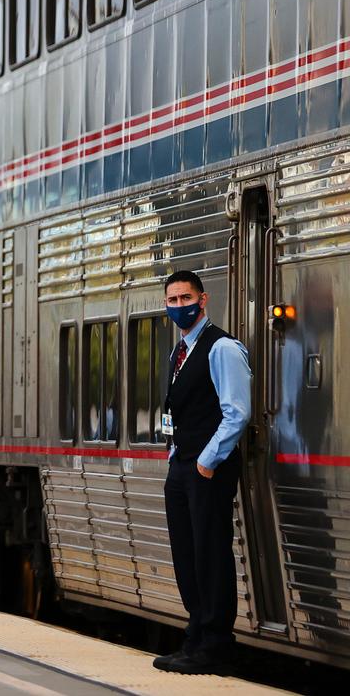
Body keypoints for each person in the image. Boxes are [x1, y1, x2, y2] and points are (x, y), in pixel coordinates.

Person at [152, 271, 251, 676]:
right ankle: (196, 635)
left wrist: (206, 461)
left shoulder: (222, 347)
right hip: (183, 465)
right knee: (187, 554)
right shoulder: (182, 351)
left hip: (207, 469)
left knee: (210, 553)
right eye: (172, 300)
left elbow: (237, 412)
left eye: (185, 298)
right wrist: (177, 455)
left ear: (203, 299)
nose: (179, 306)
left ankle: (215, 643)